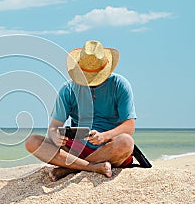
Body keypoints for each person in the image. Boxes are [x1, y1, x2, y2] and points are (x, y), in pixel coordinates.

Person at [25, 40, 136, 181]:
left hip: (108, 148)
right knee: (32, 141)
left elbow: (129, 126)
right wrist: (55, 136)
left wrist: (104, 136)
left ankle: (69, 168)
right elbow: (53, 127)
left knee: (126, 141)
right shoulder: (68, 90)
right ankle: (91, 167)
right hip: (75, 149)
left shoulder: (119, 85)